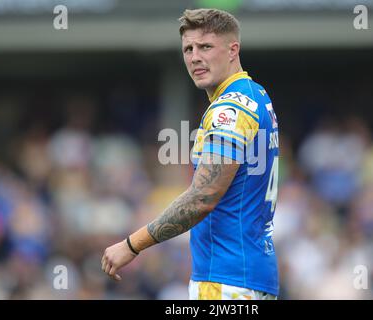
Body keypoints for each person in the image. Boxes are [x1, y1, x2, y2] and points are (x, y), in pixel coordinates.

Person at [101, 8, 280, 300]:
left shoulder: (230, 109)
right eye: (188, 48)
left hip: (226, 281)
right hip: (248, 274)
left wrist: (132, 245)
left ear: (233, 49)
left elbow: (203, 197)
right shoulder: (256, 95)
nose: (195, 57)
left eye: (205, 46)